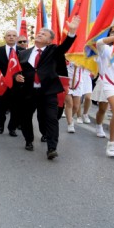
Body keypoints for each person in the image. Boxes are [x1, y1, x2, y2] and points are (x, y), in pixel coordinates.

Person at [14, 17, 79, 160]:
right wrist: (16, 77)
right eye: (39, 32)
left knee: (51, 119)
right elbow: (16, 71)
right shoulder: (23, 53)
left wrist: (72, 32)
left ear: (49, 41)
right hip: (28, 92)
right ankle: (29, 140)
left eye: (44, 33)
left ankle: (51, 148)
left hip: (48, 92)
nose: (40, 34)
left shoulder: (53, 50)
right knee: (26, 118)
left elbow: (65, 46)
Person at [0, 29, 24, 137]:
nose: (11, 37)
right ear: (5, 38)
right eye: (9, 35)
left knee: (16, 108)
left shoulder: (22, 51)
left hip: (17, 85)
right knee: (2, 107)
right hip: (3, 84)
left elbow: (25, 67)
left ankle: (12, 128)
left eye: (14, 35)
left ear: (16, 38)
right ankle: (1, 123)